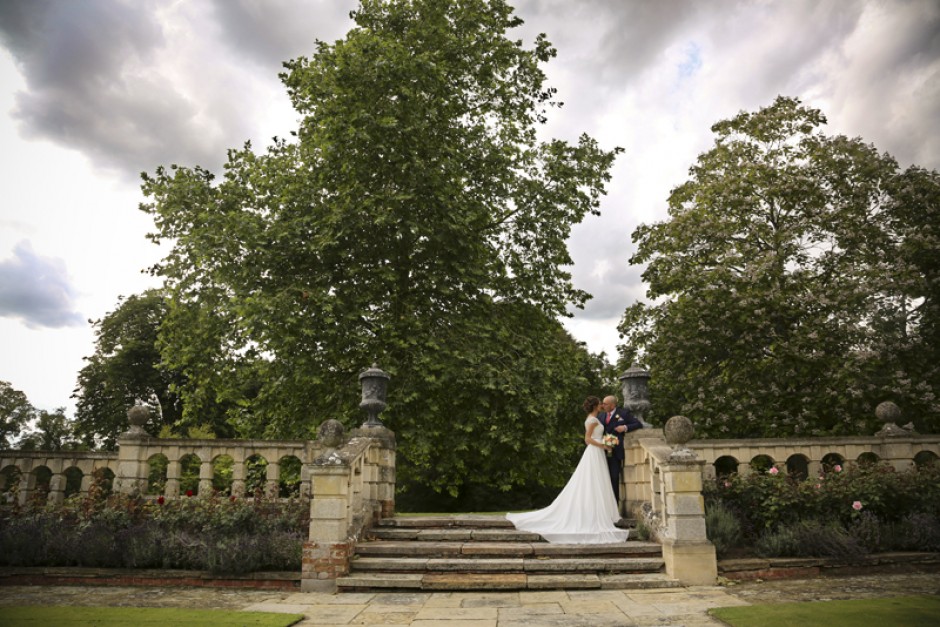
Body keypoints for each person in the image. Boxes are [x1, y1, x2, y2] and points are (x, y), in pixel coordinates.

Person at [505, 396, 629, 544]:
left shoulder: (595, 418)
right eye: (599, 404)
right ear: (595, 406)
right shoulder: (592, 420)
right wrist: (604, 445)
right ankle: (595, 514)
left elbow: (596, 436)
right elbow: (587, 439)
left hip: (597, 453)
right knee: (593, 481)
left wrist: (607, 441)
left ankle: (602, 512)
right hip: (594, 452)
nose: (602, 405)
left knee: (598, 482)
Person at [600, 395, 642, 503]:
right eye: (602, 403)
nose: (603, 405)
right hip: (601, 452)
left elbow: (638, 424)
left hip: (616, 452)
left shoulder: (623, 414)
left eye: (605, 404)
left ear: (613, 405)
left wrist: (624, 427)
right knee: (602, 479)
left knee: (614, 478)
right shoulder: (601, 416)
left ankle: (614, 506)